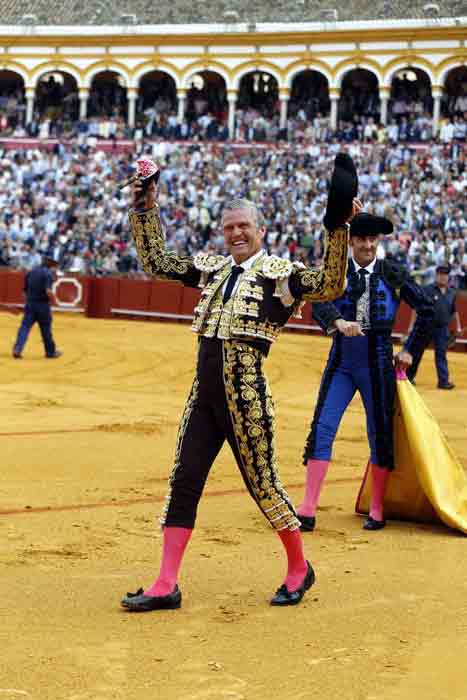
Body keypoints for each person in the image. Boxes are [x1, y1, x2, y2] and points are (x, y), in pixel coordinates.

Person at [121, 154, 360, 612]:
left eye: (244, 226)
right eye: (229, 226)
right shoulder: (212, 270)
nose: (235, 233)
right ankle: (166, 582)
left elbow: (330, 283)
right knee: (184, 480)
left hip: (246, 398)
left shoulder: (281, 278)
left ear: (260, 230)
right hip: (203, 397)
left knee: (264, 484)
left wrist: (337, 227)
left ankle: (298, 568)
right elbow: (158, 263)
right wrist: (145, 207)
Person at [297, 213, 433, 533]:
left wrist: (411, 349)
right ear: (352, 242)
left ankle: (377, 507)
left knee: (379, 433)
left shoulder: (391, 273)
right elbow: (317, 300)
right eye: (362, 240)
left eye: (373, 240)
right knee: (323, 426)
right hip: (341, 362)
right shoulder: (337, 273)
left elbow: (428, 310)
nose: (368, 245)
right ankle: (308, 507)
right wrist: (337, 321)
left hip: (378, 363)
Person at [406, 264, 462, 390]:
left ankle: (443, 381)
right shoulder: (427, 289)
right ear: (436, 275)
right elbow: (416, 308)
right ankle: (409, 377)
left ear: (448, 277)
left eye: (445, 275)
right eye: (441, 274)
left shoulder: (451, 293)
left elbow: (454, 311)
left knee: (441, 354)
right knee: (417, 352)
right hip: (425, 325)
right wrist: (411, 326)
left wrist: (458, 327)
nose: (443, 277)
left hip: (442, 328)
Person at [12, 255, 62, 360]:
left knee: (24, 327)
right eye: (55, 266)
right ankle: (50, 352)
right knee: (45, 329)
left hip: (30, 304)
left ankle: (17, 348)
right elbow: (48, 291)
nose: (55, 269)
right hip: (42, 306)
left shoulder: (31, 272)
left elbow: (24, 292)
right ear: (51, 265)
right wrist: (55, 300)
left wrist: (29, 302)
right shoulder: (48, 274)